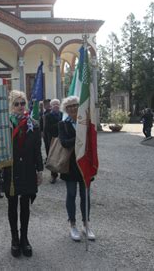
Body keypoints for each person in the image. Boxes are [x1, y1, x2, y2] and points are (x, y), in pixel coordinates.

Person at [3, 90, 43, 257]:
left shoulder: (34, 124)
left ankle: (25, 239)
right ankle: (14, 239)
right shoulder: (5, 125)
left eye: (22, 103)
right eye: (16, 103)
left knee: (25, 205)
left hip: (27, 169)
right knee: (12, 205)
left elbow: (37, 150)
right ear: (11, 106)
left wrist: (39, 170)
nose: (20, 106)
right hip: (11, 170)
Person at [58, 96, 95, 242]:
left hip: (85, 164)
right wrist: (80, 137)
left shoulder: (86, 123)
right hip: (71, 166)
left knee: (85, 195)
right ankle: (72, 224)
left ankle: (86, 224)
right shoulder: (63, 124)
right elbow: (65, 143)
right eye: (70, 107)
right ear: (66, 110)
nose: (73, 108)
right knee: (72, 194)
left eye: (75, 105)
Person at [44, 99, 63, 183]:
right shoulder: (48, 116)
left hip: (62, 138)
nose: (56, 106)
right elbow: (47, 128)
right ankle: (53, 175)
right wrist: (59, 124)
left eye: (57, 104)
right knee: (52, 158)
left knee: (62, 156)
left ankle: (63, 174)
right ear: (51, 106)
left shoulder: (63, 115)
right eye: (54, 104)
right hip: (52, 139)